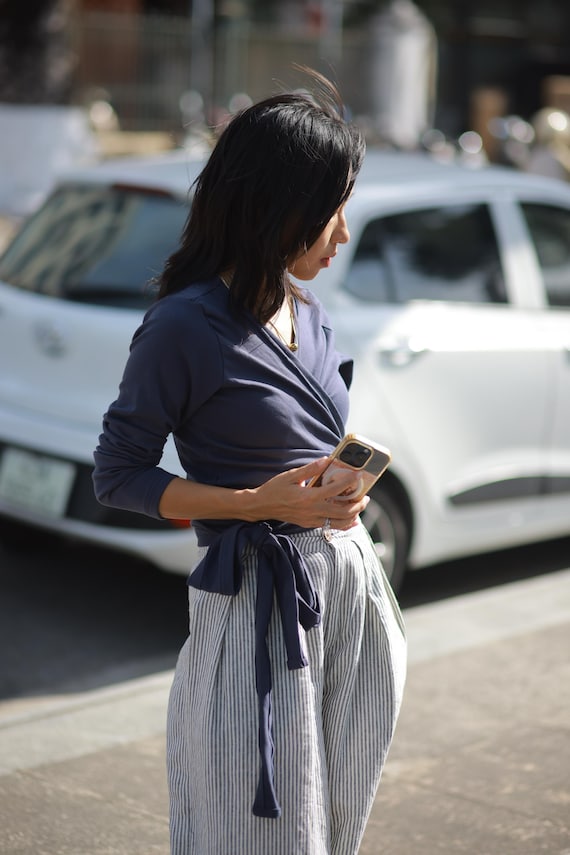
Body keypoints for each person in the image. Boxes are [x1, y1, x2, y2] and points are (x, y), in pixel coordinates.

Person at [93, 70, 407, 855]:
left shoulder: (310, 312)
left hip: (348, 587)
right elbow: (118, 474)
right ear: (281, 206)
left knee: (332, 822)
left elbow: (298, 435)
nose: (343, 235)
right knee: (255, 827)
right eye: (334, 210)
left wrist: (336, 487)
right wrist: (257, 502)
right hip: (257, 603)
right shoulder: (183, 326)